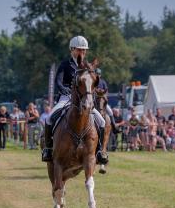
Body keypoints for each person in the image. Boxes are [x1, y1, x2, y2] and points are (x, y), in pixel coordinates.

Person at [42, 36, 107, 164]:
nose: (81, 53)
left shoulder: (88, 66)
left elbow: (92, 82)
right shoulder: (65, 64)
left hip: (84, 99)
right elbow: (58, 81)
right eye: (79, 50)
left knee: (102, 122)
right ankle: (48, 149)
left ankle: (99, 151)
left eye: (84, 50)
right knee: (49, 118)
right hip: (66, 97)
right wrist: (64, 89)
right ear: (72, 50)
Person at [94, 68, 121, 134]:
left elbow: (106, 91)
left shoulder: (103, 82)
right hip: (94, 100)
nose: (98, 75)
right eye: (96, 74)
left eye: (99, 74)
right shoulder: (92, 82)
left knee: (110, 112)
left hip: (102, 101)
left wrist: (104, 95)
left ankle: (114, 127)